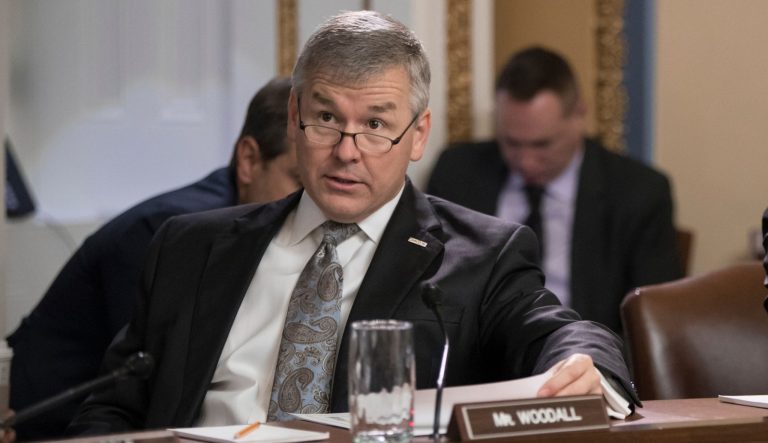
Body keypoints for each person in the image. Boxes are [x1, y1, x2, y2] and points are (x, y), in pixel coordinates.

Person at [69, 11, 638, 435]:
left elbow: (562, 334)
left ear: (418, 134)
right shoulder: (191, 246)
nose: (347, 151)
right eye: (326, 118)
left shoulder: (481, 258)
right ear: (294, 117)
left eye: (375, 125)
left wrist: (586, 366)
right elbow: (113, 406)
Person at [6, 77, 299, 440]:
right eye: (297, 181)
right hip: (55, 422)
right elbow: (155, 385)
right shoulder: (173, 235)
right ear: (249, 160)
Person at [427, 46, 682, 334]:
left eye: (542, 144)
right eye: (511, 143)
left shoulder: (637, 192)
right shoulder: (457, 173)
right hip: (479, 352)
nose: (526, 161)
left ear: (579, 115)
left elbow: (654, 324)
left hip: (585, 350)